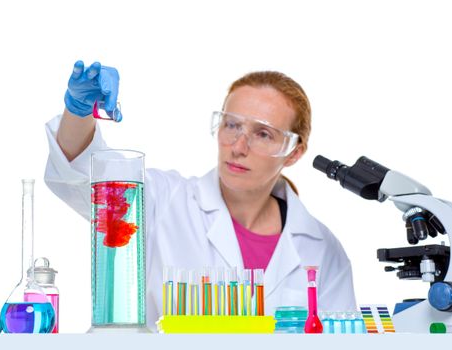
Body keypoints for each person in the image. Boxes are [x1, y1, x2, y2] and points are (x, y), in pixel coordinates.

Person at [45, 60, 357, 330]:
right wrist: (78, 112)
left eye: (262, 134)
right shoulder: (163, 202)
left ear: (294, 152)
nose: (238, 146)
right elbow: (86, 176)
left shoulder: (323, 250)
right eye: (231, 125)